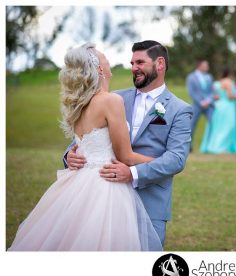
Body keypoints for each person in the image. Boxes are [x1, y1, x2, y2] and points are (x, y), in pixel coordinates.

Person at [8, 43, 163, 251]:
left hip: (79, 183)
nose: (109, 60)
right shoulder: (111, 101)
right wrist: (160, 161)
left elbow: (85, 145)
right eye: (105, 57)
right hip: (106, 185)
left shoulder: (80, 104)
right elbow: (125, 156)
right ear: (100, 68)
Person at [64, 40, 193, 248]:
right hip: (101, 200)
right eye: (132, 63)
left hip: (150, 202)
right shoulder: (113, 98)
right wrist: (69, 154)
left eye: (140, 62)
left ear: (160, 64)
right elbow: (84, 138)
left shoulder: (180, 110)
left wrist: (132, 173)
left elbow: (176, 159)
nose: (134, 68)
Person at [200, 68, 236, 154]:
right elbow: (229, 96)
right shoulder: (229, 82)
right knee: (228, 127)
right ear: (229, 74)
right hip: (228, 106)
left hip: (218, 106)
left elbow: (214, 96)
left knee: (217, 127)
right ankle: (222, 147)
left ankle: (213, 145)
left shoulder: (217, 83)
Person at [186, 59, 214, 151]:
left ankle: (211, 145)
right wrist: (201, 102)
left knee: (213, 123)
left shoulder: (209, 77)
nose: (207, 67)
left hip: (209, 105)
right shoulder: (191, 77)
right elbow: (191, 92)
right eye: (205, 65)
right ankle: (189, 147)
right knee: (191, 125)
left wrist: (208, 100)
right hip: (197, 105)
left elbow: (212, 91)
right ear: (199, 66)